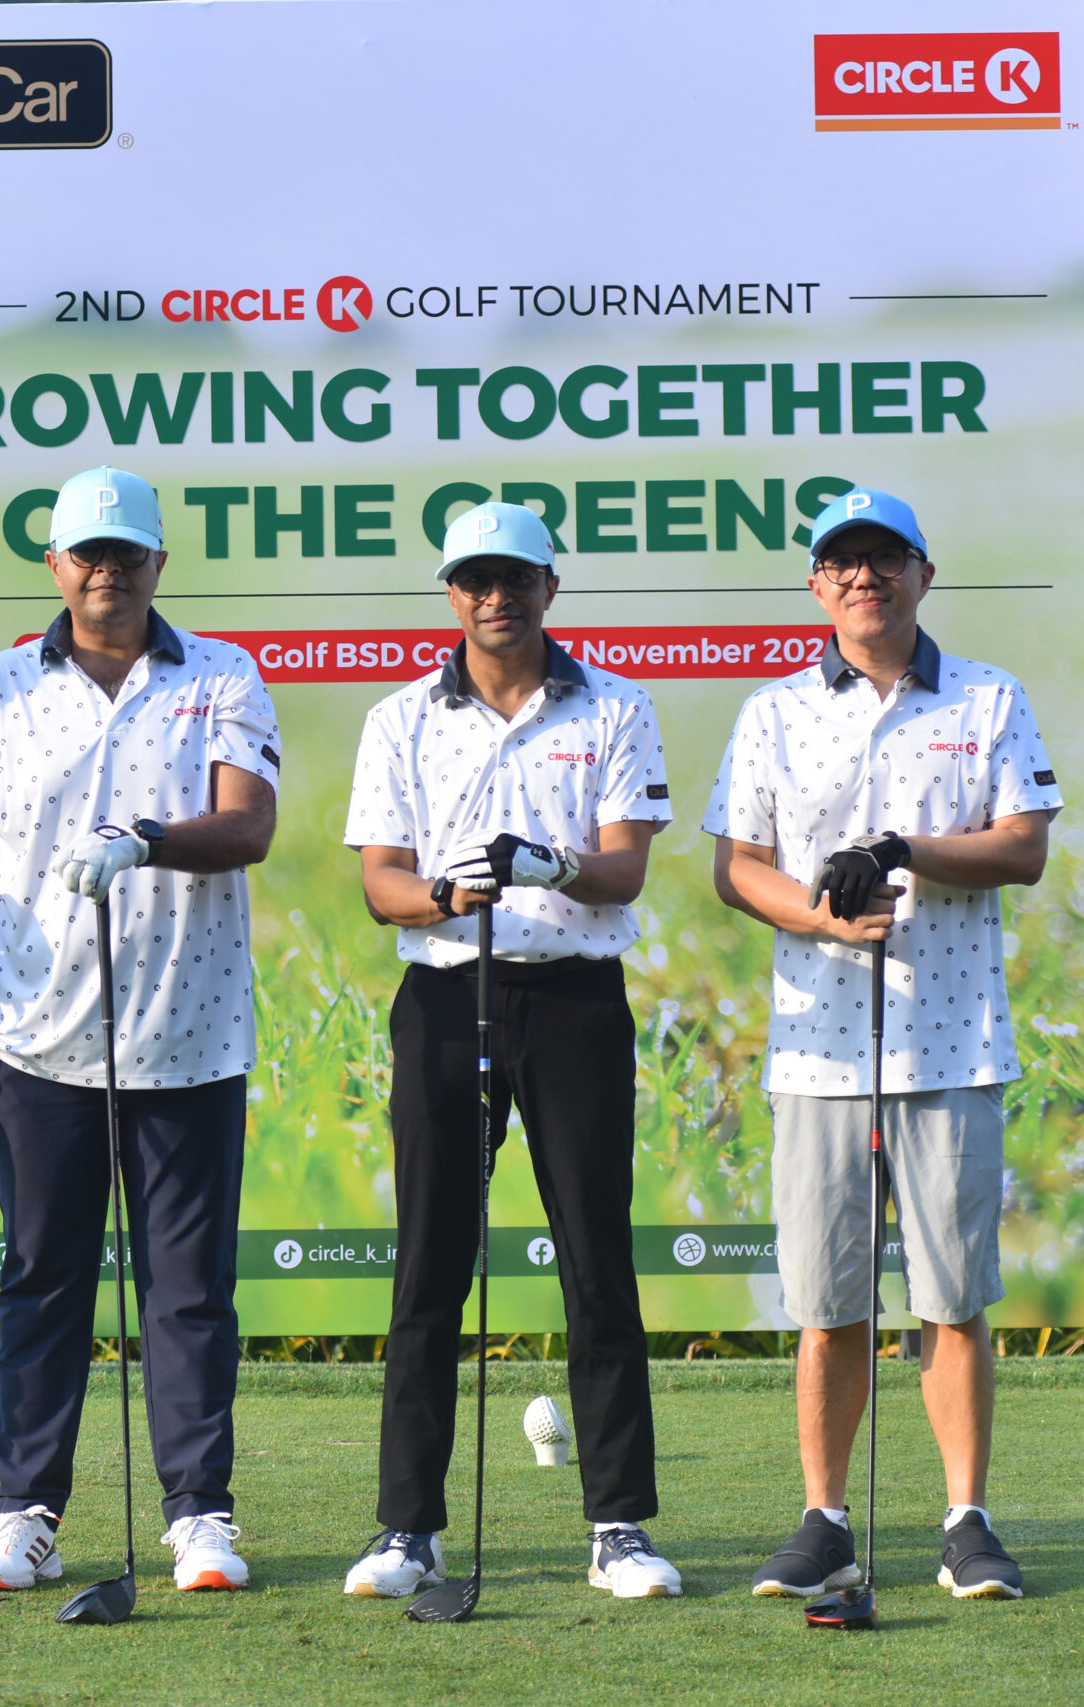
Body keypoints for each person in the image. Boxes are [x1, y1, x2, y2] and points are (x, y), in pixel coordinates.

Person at [0, 465, 280, 1596]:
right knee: (42, 1281)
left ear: (157, 562)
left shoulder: (222, 675)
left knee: (190, 1291)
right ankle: (24, 1512)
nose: (106, 571)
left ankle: (199, 1513)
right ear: (54, 565)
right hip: (38, 1041)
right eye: (87, 553)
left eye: (126, 552)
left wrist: (145, 838)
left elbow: (248, 826)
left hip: (191, 1034)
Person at [706, 486, 1059, 1602]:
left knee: (950, 1300)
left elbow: (1023, 846)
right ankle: (824, 1519)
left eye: (885, 558)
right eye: (842, 562)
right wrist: (819, 917)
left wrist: (903, 848)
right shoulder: (772, 711)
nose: (865, 577)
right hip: (819, 1047)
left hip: (951, 1044)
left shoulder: (989, 697)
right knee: (828, 1306)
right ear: (817, 585)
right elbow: (737, 865)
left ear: (922, 574)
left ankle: (965, 1521)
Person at [339, 499, 684, 1602]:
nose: (497, 596)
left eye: (517, 577)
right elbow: (381, 882)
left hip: (575, 999)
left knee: (596, 1260)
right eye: (476, 579)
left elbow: (625, 868)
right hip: (446, 994)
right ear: (452, 594)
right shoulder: (400, 717)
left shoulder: (615, 705)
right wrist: (444, 893)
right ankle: (408, 1528)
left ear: (549, 588)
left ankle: (618, 1524)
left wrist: (549, 865)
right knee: (429, 1263)